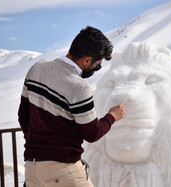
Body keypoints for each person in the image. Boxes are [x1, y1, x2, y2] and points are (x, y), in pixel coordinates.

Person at [18, 26, 125, 187]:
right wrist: (112, 116)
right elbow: (92, 133)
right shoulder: (79, 87)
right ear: (87, 60)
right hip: (63, 171)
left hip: (32, 170)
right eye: (98, 64)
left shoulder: (37, 68)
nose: (96, 69)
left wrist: (39, 149)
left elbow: (23, 116)